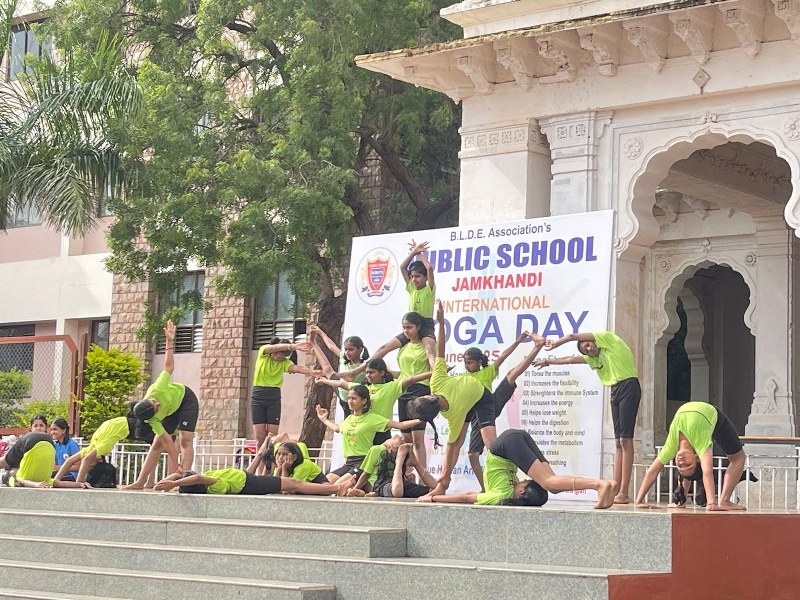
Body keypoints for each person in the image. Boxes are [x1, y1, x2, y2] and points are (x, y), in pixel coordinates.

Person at [535, 330, 640, 504]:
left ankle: (624, 492)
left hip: (628, 385)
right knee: (618, 442)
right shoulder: (595, 360)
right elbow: (570, 360)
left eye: (588, 345)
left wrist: (555, 344)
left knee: (625, 440)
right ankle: (614, 489)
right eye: (585, 350)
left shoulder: (609, 341)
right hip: (615, 390)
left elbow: (573, 337)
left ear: (594, 341)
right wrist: (548, 362)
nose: (589, 349)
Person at [407, 302, 498, 497]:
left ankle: (445, 484)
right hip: (466, 405)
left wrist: (441, 323)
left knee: (492, 444)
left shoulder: (437, 383)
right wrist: (441, 322)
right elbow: (451, 447)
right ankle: (443, 485)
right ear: (429, 397)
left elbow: (440, 350)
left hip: (482, 398)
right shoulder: (448, 404)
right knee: (456, 444)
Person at [422, 429, 619, 508]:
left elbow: (466, 497)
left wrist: (432, 498)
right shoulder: (504, 492)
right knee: (551, 483)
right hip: (510, 443)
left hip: (509, 443)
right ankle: (602, 484)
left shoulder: (500, 495)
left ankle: (600, 485)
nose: (523, 479)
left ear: (522, 491)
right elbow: (468, 496)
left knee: (550, 483)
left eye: (526, 482)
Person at [461, 332, 546, 487]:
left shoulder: (487, 371)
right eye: (465, 363)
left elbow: (504, 355)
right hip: (480, 411)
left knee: (511, 374)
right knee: (473, 455)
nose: (467, 365)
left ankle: (537, 347)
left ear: (479, 362)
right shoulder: (464, 377)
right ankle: (486, 487)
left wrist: (518, 341)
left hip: (488, 405)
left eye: (470, 362)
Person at [126, 320, 200, 490]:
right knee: (157, 443)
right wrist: (176, 463)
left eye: (155, 402)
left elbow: (169, 366)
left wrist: (169, 341)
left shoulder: (157, 388)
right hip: (171, 410)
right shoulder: (152, 420)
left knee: (185, 439)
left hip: (186, 400)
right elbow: (167, 442)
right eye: (156, 408)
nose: (158, 403)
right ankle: (140, 482)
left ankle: (182, 482)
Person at [634, 401, 746, 512]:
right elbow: (707, 471)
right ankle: (725, 500)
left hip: (692, 411)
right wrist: (711, 503)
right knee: (739, 458)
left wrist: (639, 501)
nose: (682, 462)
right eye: (688, 464)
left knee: (687, 473)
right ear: (697, 458)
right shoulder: (700, 444)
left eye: (679, 466)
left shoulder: (671, 447)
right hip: (715, 418)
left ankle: (682, 501)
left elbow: (652, 471)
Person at [154, 436, 354, 496]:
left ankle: (336, 488)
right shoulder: (211, 484)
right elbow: (195, 478)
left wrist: (165, 482)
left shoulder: (202, 480)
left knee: (293, 482)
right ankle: (336, 488)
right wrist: (172, 485)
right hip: (250, 485)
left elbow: (183, 476)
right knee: (295, 483)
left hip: (247, 478)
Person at [316, 384, 422, 482]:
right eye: (349, 398)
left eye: (354, 398)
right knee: (325, 483)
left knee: (337, 486)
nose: (350, 401)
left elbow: (400, 425)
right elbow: (337, 428)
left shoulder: (373, 418)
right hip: (349, 462)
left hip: (364, 462)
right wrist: (323, 419)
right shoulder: (349, 419)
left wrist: (421, 419)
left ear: (364, 401)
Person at [316, 357, 431, 445]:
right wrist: (324, 381)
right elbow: (341, 384)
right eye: (366, 372)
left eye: (372, 372)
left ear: (382, 372)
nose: (368, 375)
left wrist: (434, 372)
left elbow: (411, 379)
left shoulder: (391, 387)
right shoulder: (363, 388)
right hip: (364, 432)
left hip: (381, 432)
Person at [251, 335, 320, 457]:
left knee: (272, 437)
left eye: (282, 356)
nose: (279, 357)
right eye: (277, 354)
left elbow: (296, 368)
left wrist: (312, 372)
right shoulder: (264, 353)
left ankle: (270, 465)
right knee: (260, 437)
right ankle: (258, 464)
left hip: (274, 397)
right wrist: (294, 346)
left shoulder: (284, 363)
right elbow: (272, 348)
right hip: (258, 396)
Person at [308, 324, 369, 418]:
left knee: (351, 420)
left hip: (353, 399)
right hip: (341, 393)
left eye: (351, 350)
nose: (347, 352)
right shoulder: (344, 358)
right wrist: (320, 332)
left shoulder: (364, 365)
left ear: (360, 349)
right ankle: (313, 344)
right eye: (346, 349)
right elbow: (331, 346)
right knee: (328, 370)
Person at [54, 414, 133, 484]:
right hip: (124, 423)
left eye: (89, 465)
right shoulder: (99, 447)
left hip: (125, 423)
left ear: (98, 457)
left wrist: (78, 483)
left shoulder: (100, 447)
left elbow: (85, 459)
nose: (87, 466)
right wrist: (55, 480)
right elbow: (71, 461)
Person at [0, 432, 90, 488]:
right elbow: (58, 483)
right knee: (7, 461)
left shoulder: (15, 478)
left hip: (41, 444)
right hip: (47, 443)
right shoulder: (45, 480)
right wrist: (79, 484)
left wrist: (35, 485)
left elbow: (21, 481)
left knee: (6, 462)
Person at [350, 441, 436, 499]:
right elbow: (397, 492)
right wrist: (399, 461)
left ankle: (362, 493)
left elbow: (436, 488)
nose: (402, 439)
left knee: (411, 480)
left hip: (400, 484)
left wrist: (416, 463)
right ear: (389, 448)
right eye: (399, 445)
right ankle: (361, 492)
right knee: (396, 488)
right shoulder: (384, 485)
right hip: (384, 485)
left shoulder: (405, 483)